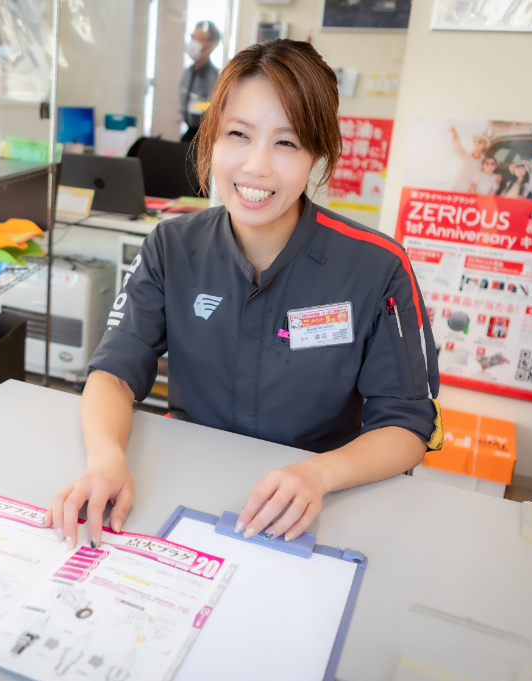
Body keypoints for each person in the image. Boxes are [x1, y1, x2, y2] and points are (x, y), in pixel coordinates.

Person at [44, 40, 443, 551]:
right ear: (211, 138)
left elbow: (408, 425)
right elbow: (114, 372)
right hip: (181, 490)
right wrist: (105, 458)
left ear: (317, 154)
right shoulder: (172, 245)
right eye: (238, 134)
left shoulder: (377, 268)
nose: (256, 167)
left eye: (287, 143)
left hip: (317, 507)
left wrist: (320, 475)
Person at [180, 21, 221, 144]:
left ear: (211, 45)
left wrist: (196, 106)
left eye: (199, 39)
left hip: (204, 137)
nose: (194, 42)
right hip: (189, 133)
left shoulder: (212, 76)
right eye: (193, 37)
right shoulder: (189, 72)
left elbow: (212, 106)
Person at [449, 126, 489, 192]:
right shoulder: (465, 155)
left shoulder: (484, 161)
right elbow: (456, 146)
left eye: (480, 142)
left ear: (485, 145)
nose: (476, 143)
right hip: (454, 190)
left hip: (469, 194)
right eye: (474, 141)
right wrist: (454, 133)